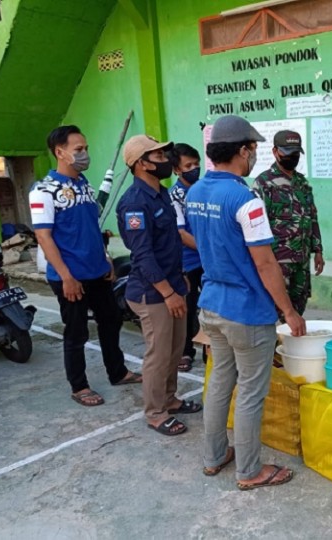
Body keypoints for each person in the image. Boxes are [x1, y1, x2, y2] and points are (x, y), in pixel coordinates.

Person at [186, 115, 306, 489]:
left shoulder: (195, 192)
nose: (254, 156)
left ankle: (213, 456)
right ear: (242, 151)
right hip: (246, 310)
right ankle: (250, 471)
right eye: (253, 148)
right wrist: (288, 311)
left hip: (211, 305)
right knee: (252, 392)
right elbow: (265, 261)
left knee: (221, 381)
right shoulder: (246, 199)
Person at [30, 125, 141, 407]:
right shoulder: (44, 190)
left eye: (86, 149)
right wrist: (66, 276)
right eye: (78, 149)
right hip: (70, 277)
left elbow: (92, 227)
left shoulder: (83, 184)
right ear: (60, 152)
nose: (84, 154)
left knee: (111, 322)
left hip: (98, 272)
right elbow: (44, 236)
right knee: (77, 332)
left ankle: (118, 372)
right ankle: (79, 386)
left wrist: (105, 259)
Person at [116, 135, 201, 436]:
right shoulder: (135, 204)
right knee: (159, 354)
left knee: (176, 350)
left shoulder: (160, 194)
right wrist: (167, 292)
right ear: (142, 164)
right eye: (159, 155)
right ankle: (155, 413)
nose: (166, 159)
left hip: (173, 283)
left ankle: (170, 399)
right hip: (152, 292)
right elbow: (143, 255)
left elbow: (170, 243)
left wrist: (180, 279)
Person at [252, 130, 324, 319]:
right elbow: (257, 227)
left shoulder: (302, 183)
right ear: (275, 151)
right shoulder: (263, 183)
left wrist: (318, 251)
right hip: (278, 262)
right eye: (287, 152)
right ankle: (275, 347)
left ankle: (292, 347)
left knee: (298, 306)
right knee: (277, 310)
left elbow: (312, 217)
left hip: (301, 259)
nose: (292, 157)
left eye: (296, 153)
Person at [168, 143, 203, 372]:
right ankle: (186, 351)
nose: (194, 169)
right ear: (176, 170)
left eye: (196, 164)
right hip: (189, 260)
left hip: (207, 258)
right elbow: (181, 233)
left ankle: (210, 348)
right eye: (188, 165)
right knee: (188, 307)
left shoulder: (203, 189)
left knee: (212, 305)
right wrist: (207, 248)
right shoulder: (175, 196)